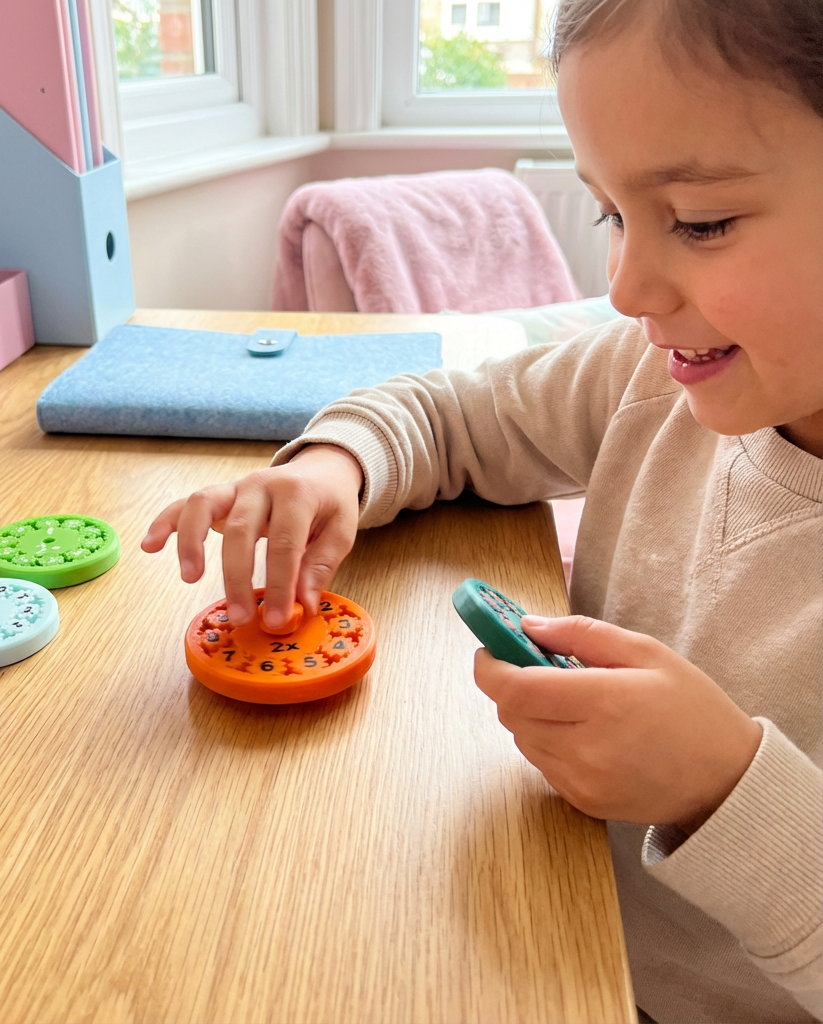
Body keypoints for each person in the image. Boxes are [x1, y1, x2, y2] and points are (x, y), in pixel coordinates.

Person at [142, 0, 822, 1019]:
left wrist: (720, 792)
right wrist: (336, 466)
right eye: (610, 214)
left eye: (698, 220)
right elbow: (455, 413)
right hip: (543, 931)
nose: (628, 286)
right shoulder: (646, 374)